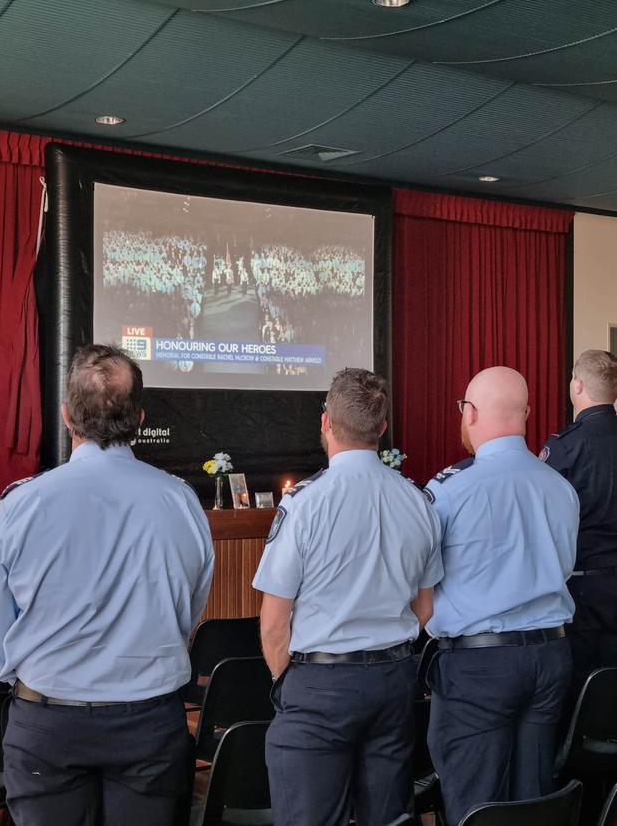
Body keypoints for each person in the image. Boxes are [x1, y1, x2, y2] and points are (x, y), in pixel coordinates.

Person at [0, 344, 215, 826]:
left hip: (48, 719)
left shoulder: (24, 504)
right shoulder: (182, 502)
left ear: (67, 416)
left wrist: (40, 678)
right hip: (149, 722)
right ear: (139, 418)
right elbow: (188, 611)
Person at [253, 368, 443, 826]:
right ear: (381, 429)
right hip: (394, 681)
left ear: (325, 423)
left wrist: (288, 685)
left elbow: (274, 623)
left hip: (319, 685)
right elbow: (425, 608)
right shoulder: (419, 501)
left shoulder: (304, 504)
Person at [424, 367, 579, 826]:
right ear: (527, 414)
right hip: (551, 655)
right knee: (532, 800)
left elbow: (422, 581)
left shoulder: (450, 489)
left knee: (476, 801)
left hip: (479, 666)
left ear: (469, 413)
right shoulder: (561, 487)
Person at [540, 349, 617, 698]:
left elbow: (543, 515)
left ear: (577, 385)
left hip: (583, 586)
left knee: (580, 683)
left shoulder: (567, 446)